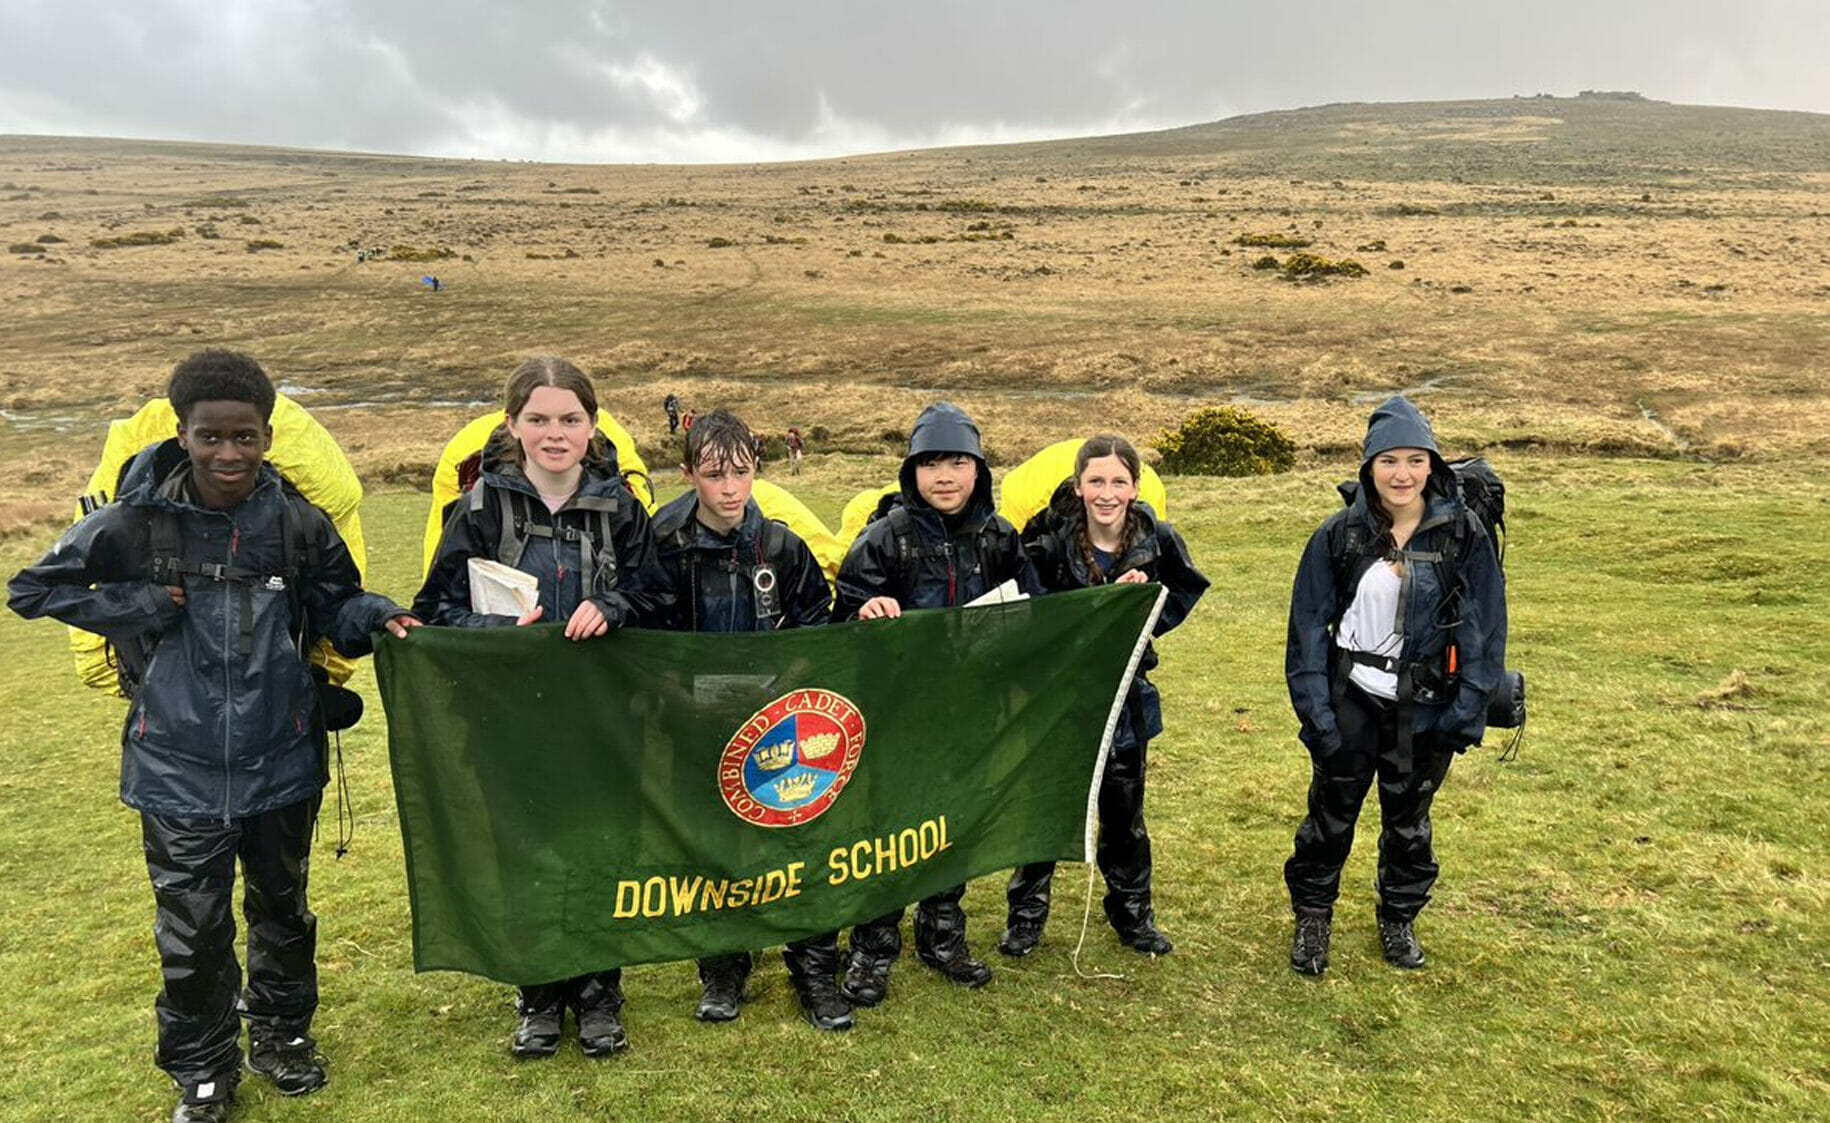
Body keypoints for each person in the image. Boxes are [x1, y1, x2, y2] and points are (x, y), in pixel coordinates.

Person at [8, 349, 419, 1123]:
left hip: (281, 757)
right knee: (192, 929)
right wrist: (137, 603)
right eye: (211, 437)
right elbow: (33, 587)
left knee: (283, 909)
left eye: (245, 437)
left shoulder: (298, 521)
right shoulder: (136, 520)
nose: (228, 454)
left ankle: (284, 1037)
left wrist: (381, 616)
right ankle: (201, 1067)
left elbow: (338, 604)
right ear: (182, 431)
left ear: (266, 435)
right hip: (175, 765)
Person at [414, 356, 671, 1058]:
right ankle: (536, 992)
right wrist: (501, 635)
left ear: (592, 426)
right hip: (512, 719)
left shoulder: (623, 508)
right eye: (539, 419)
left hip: (605, 717)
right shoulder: (477, 509)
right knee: (524, 852)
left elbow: (662, 598)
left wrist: (615, 604)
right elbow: (434, 610)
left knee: (602, 850)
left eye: (570, 419)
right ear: (512, 425)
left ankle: (598, 993)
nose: (554, 433)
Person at [1282, 396, 1506, 975]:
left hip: (1428, 707)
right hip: (1352, 698)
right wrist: (1318, 715)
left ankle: (1398, 918)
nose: (1401, 474)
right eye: (1388, 461)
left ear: (1432, 465)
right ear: (1368, 467)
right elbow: (1307, 628)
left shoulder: (1463, 534)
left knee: (1409, 823)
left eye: (1414, 460)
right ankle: (1313, 918)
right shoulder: (1341, 536)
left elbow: (1486, 625)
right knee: (1330, 816)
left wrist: (1466, 709)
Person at [832, 401, 1041, 1007]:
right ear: (911, 472)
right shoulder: (884, 540)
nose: (944, 476)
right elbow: (841, 616)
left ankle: (943, 935)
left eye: (957, 462)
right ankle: (873, 947)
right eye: (930, 464)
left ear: (978, 469)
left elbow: (1029, 613)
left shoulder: (1001, 540)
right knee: (889, 831)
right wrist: (864, 613)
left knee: (957, 823)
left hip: (971, 714)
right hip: (895, 717)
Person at [650, 410, 853, 1032]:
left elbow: (818, 628)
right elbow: (641, 633)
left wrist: (790, 683)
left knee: (798, 837)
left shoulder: (784, 546)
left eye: (740, 472)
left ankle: (814, 965)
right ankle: (722, 964)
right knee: (711, 844)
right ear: (689, 474)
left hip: (779, 724)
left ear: (756, 469)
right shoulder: (664, 542)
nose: (730, 488)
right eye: (714, 474)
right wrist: (676, 696)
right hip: (695, 722)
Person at [999, 436, 1208, 959]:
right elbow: (1024, 607)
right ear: (1078, 485)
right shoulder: (1046, 541)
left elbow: (1182, 590)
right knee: (1044, 809)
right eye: (1096, 481)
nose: (1107, 493)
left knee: (1124, 815)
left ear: (1135, 487)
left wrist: (1144, 612)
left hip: (1125, 698)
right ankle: (1026, 920)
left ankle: (1134, 918)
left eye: (1118, 481)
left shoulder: (1157, 539)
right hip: (1054, 699)